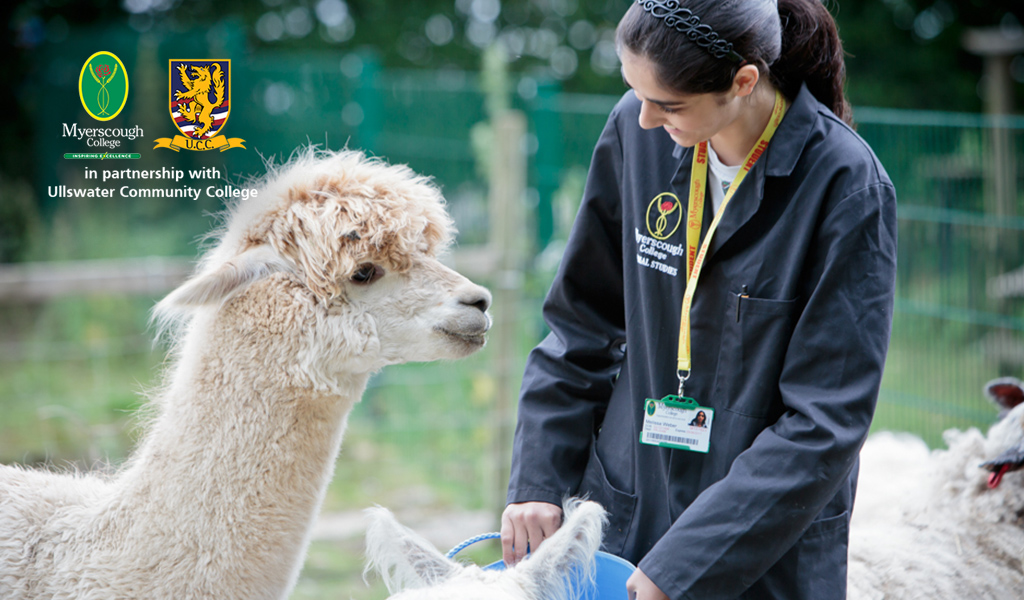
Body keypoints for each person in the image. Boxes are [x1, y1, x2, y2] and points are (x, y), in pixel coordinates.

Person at [500, 1, 897, 599]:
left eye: (669, 105)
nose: (645, 122)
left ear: (743, 81)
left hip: (762, 557)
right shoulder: (635, 132)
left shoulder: (847, 186)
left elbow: (824, 423)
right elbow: (579, 327)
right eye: (636, 94)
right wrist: (536, 477)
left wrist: (683, 567)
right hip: (626, 517)